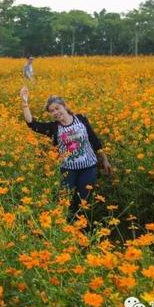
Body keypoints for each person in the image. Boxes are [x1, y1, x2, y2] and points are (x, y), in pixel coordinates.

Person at [20, 86, 113, 220]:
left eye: (57, 108)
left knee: (83, 202)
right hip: (68, 170)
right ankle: (67, 228)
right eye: (52, 111)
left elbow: (94, 140)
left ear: (64, 106)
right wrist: (24, 103)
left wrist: (104, 159)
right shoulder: (54, 128)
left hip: (89, 168)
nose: (56, 112)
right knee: (64, 202)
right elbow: (32, 124)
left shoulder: (81, 119)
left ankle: (81, 228)